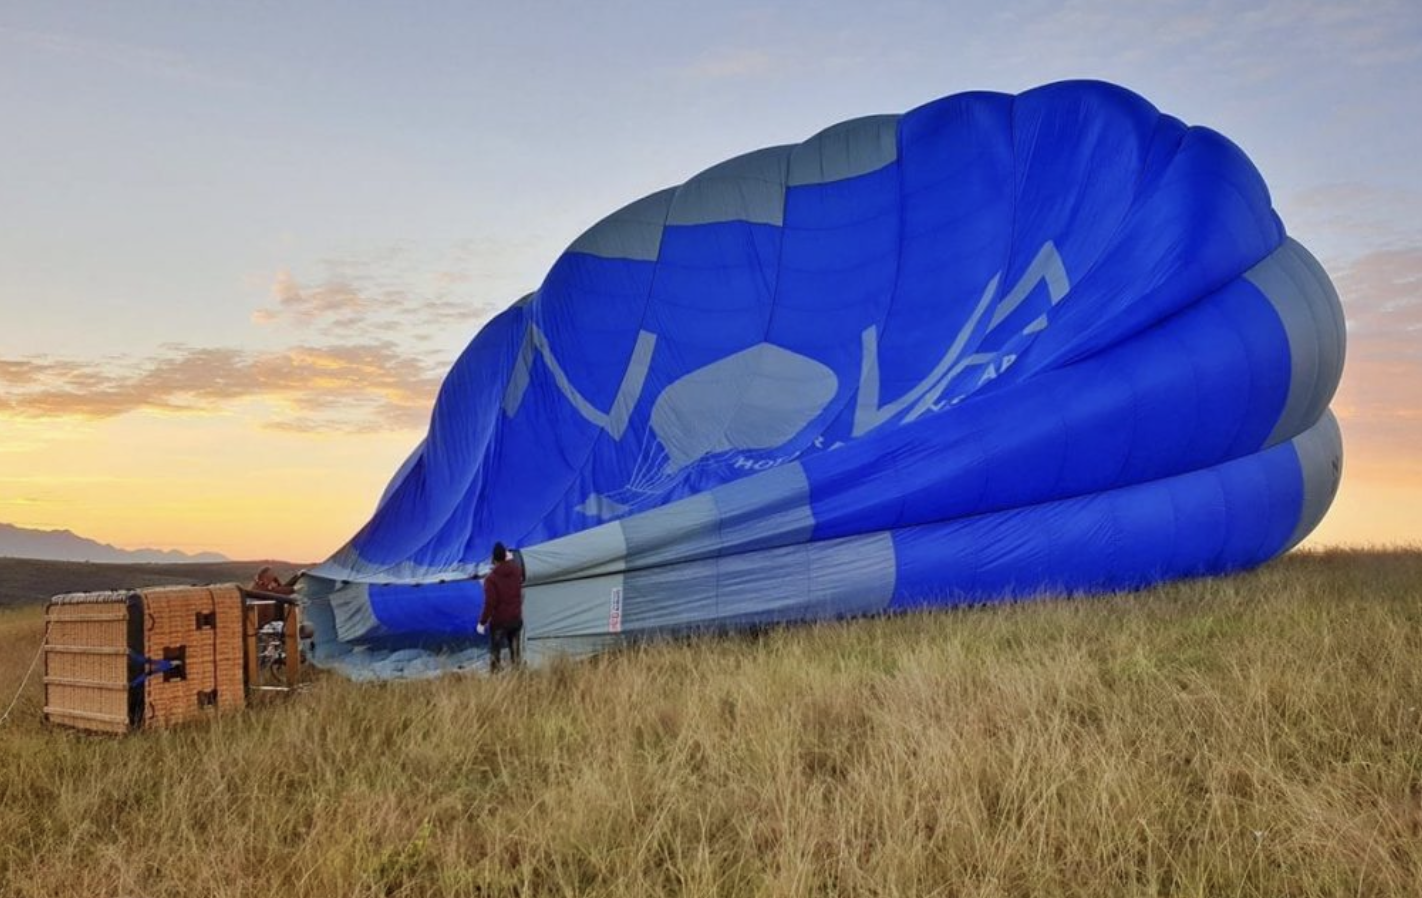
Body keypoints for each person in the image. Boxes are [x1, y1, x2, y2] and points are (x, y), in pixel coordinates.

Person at [476, 542, 524, 672]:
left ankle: (496, 679)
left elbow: (490, 603)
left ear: (493, 559)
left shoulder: (491, 579)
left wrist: (482, 622)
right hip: (516, 618)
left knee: (495, 655)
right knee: (515, 653)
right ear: (506, 555)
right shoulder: (516, 571)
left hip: (500, 622)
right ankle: (518, 677)